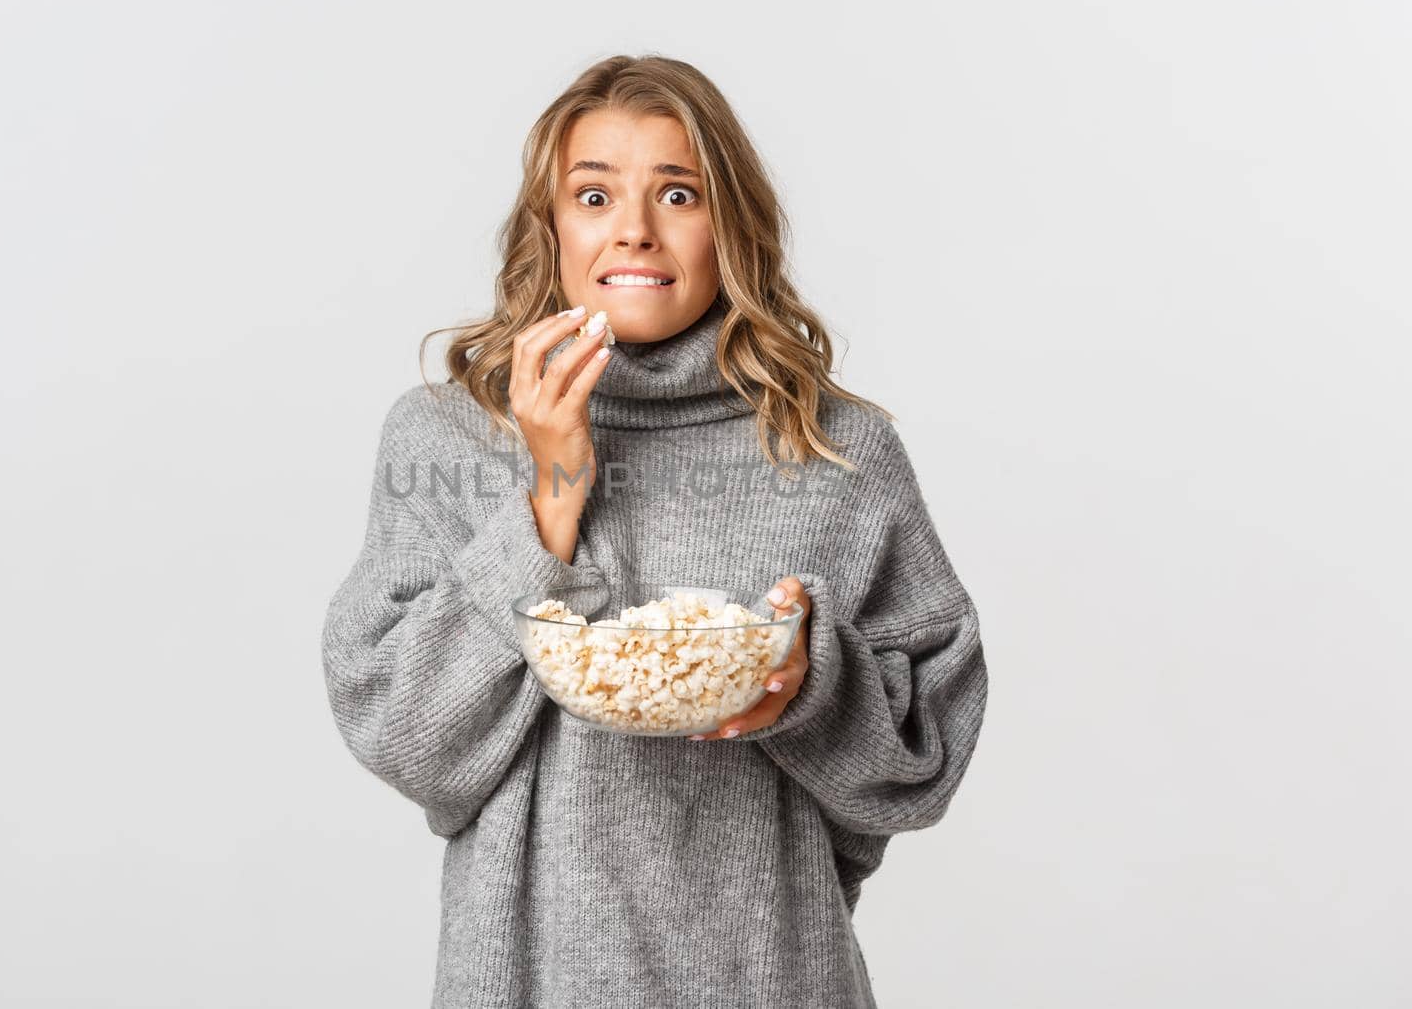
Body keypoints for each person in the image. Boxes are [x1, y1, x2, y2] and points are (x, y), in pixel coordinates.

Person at [321, 54, 989, 1009]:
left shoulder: (836, 449)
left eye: (678, 192)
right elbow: (405, 738)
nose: (634, 227)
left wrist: (810, 679)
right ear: (548, 229)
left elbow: (924, 757)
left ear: (732, 225)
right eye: (593, 195)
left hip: (776, 977)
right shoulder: (449, 435)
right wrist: (552, 491)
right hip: (527, 980)